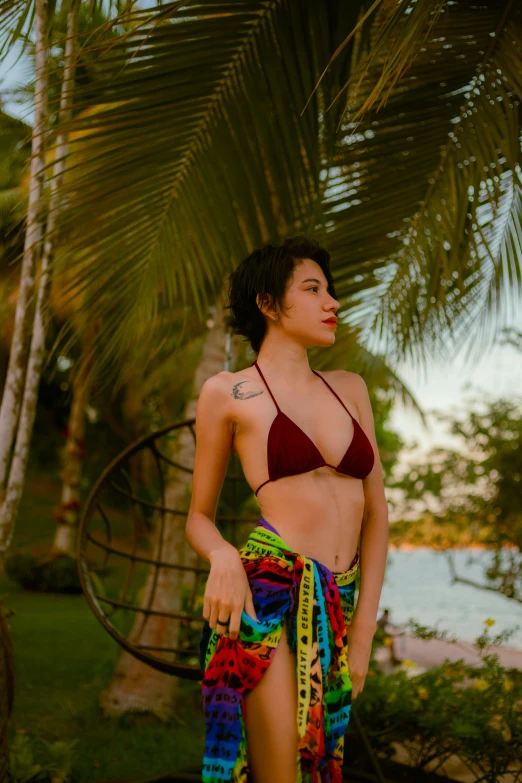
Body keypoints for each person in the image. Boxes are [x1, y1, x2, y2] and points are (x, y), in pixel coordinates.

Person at [185, 236, 389, 783]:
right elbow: (197, 516)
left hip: (339, 603)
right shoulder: (229, 392)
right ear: (269, 304)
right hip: (269, 593)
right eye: (313, 289)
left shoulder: (351, 389)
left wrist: (363, 632)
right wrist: (224, 557)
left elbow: (377, 514)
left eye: (331, 290)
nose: (333, 303)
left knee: (321, 764)